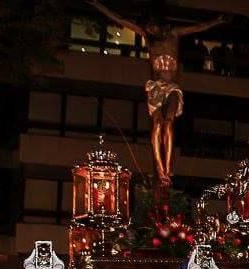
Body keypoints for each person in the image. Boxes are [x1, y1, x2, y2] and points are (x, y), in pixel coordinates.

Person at [88, 0, 228, 185]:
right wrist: (98, 4)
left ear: (160, 24)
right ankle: (161, 170)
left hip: (172, 88)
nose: (150, 30)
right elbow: (120, 19)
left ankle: (168, 168)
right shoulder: (147, 34)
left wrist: (218, 21)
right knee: (158, 124)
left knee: (168, 122)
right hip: (155, 88)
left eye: (152, 27)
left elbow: (198, 27)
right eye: (148, 28)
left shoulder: (174, 34)